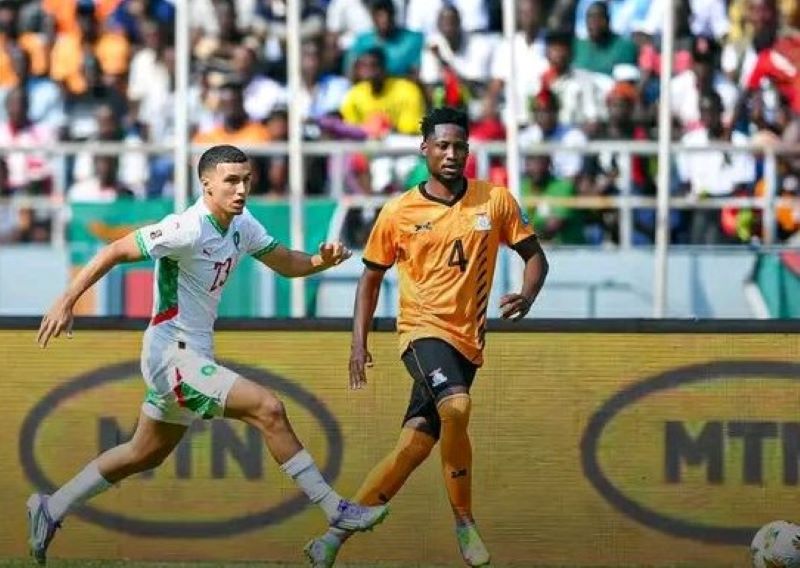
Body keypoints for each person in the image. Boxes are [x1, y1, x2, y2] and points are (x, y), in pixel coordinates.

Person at [28, 144, 389, 565]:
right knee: (268, 408)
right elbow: (114, 251)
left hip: (193, 352)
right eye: (231, 181)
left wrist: (320, 261)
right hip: (171, 354)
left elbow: (288, 264)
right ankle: (334, 509)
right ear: (207, 185)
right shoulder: (185, 228)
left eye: (246, 180)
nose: (241, 190)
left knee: (143, 452)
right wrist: (65, 301)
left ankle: (51, 508)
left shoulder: (242, 223)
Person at [304, 107, 549, 567]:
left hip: (467, 342)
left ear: (468, 150)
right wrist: (358, 343)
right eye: (442, 146)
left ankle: (330, 540)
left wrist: (527, 295)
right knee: (456, 406)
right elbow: (370, 279)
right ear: (425, 150)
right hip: (420, 332)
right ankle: (465, 521)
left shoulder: (495, 200)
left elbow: (535, 256)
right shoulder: (398, 211)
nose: (451, 154)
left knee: (413, 447)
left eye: (459, 146)